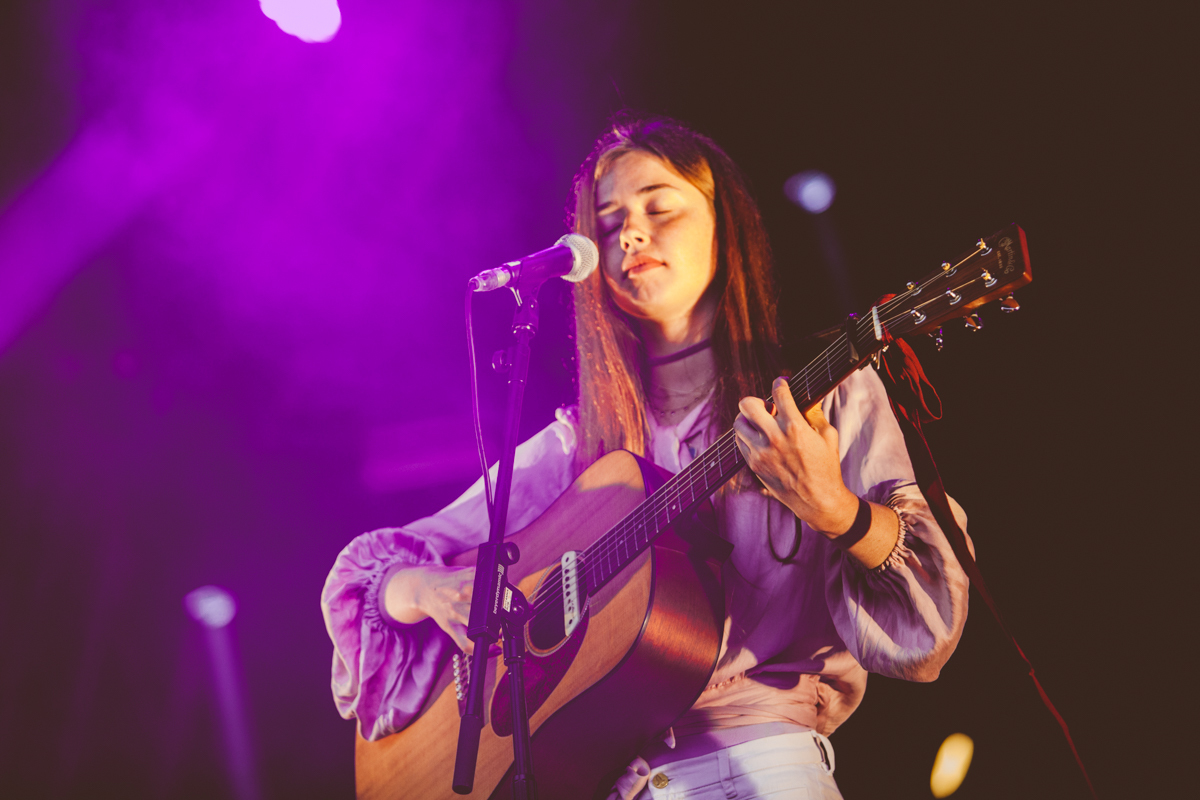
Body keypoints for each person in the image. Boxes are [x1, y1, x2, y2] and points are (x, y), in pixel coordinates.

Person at [321, 114, 971, 800]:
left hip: (762, 771)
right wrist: (430, 591)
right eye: (607, 225)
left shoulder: (824, 397)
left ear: (726, 228)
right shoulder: (575, 447)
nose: (630, 233)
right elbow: (367, 579)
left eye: (660, 208)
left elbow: (931, 625)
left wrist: (837, 511)